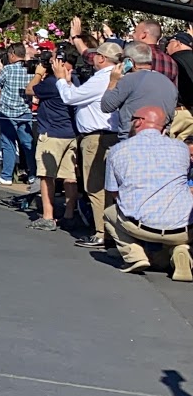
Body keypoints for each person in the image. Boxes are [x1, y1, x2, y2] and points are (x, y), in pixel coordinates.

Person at [102, 106, 191, 281]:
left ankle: (134, 255)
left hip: (141, 226)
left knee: (110, 213)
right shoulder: (181, 148)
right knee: (175, 217)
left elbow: (113, 191)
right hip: (185, 228)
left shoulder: (117, 150)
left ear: (139, 121)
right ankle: (181, 249)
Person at [54, 43, 121, 250]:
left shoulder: (103, 77)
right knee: (107, 186)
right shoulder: (113, 76)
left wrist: (59, 80)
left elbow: (70, 98)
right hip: (109, 135)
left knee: (95, 186)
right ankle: (108, 231)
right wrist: (69, 83)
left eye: (96, 56)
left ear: (102, 58)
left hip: (96, 136)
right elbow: (82, 97)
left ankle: (102, 232)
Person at [28, 54, 80, 232]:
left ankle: (48, 216)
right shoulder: (76, 81)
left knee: (46, 175)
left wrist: (38, 74)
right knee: (69, 176)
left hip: (52, 133)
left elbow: (30, 90)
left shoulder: (52, 83)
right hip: (70, 133)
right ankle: (69, 214)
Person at [100, 42, 177, 142]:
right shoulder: (169, 84)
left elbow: (106, 106)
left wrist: (113, 81)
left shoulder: (129, 80)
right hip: (161, 140)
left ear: (129, 61)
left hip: (132, 139)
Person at [0, 45, 35, 186]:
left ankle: (7, 175)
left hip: (7, 112)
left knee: (8, 144)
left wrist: (0, 70)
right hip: (25, 111)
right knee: (28, 144)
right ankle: (33, 174)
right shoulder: (30, 69)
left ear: (13, 54)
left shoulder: (7, 69)